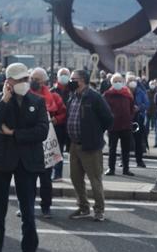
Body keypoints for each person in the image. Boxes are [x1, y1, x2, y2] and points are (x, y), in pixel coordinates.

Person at [0, 63, 48, 252]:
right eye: (19, 80)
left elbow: (42, 131)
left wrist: (14, 133)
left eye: (26, 79)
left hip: (27, 162)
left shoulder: (37, 101)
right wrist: (5, 100)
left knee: (28, 213)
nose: (24, 83)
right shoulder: (0, 100)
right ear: (9, 81)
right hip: (1, 161)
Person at [66, 70, 113, 222]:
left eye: (74, 79)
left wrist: (95, 133)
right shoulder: (72, 96)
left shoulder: (94, 97)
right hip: (74, 145)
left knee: (94, 179)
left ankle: (99, 210)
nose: (71, 81)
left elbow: (108, 118)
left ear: (83, 80)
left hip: (91, 145)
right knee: (75, 177)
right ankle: (83, 207)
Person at [29, 68, 66, 218]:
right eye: (32, 78)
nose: (34, 81)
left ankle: (46, 207)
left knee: (46, 180)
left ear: (44, 81)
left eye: (38, 79)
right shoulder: (24, 94)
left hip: (46, 142)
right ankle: (26, 206)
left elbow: (63, 112)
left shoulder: (54, 97)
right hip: (29, 143)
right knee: (27, 180)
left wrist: (55, 120)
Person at [103, 74, 135, 176]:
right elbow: (104, 110)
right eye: (115, 81)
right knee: (112, 149)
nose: (117, 83)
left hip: (126, 125)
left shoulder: (128, 94)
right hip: (113, 126)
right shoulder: (107, 94)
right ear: (112, 83)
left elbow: (131, 108)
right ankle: (111, 168)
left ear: (123, 82)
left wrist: (130, 118)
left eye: (119, 81)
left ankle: (126, 169)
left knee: (125, 150)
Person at [50, 67, 71, 181]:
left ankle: (76, 176)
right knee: (57, 150)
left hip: (70, 125)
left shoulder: (73, 91)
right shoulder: (52, 91)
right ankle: (57, 174)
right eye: (62, 74)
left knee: (73, 152)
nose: (64, 76)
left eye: (66, 74)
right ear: (58, 77)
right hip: (57, 125)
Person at [127, 73, 148, 167]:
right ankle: (124, 161)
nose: (132, 83)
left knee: (138, 140)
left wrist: (139, 108)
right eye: (130, 80)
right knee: (125, 140)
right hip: (126, 119)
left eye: (134, 81)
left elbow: (146, 103)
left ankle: (139, 161)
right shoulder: (124, 91)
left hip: (138, 118)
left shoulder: (141, 92)